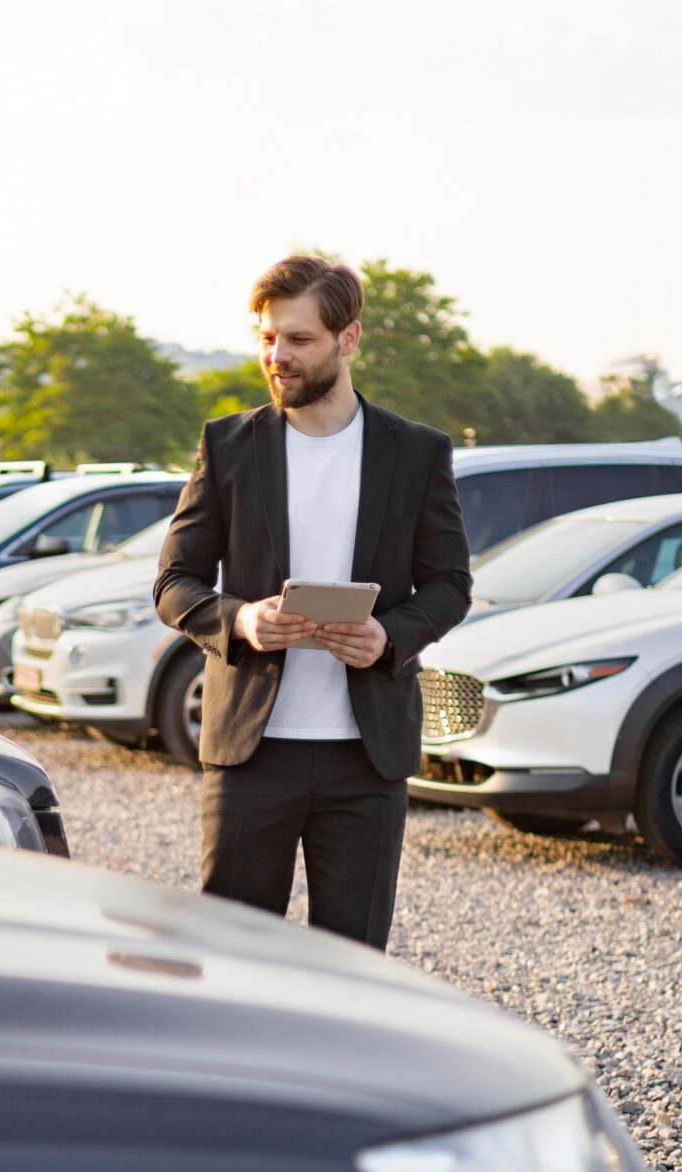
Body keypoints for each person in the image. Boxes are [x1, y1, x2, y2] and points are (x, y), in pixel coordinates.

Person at [153, 256, 470, 950]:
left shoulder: (415, 453)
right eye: (268, 338)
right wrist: (241, 619)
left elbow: (450, 585)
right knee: (230, 958)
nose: (276, 356)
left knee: (352, 967)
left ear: (348, 339)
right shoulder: (228, 445)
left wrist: (390, 635)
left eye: (297, 340)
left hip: (366, 758)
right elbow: (174, 581)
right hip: (249, 753)